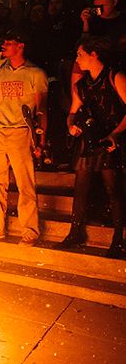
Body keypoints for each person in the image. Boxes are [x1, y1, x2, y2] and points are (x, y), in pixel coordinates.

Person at [0, 29, 48, 247]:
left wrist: (41, 141)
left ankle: (30, 231)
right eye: (3, 42)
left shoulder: (36, 73)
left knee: (25, 183)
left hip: (21, 132)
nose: (4, 46)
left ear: (21, 45)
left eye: (9, 42)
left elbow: (42, 109)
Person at [57, 37, 126, 258]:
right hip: (89, 140)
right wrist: (70, 126)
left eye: (80, 54)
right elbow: (72, 112)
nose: (77, 59)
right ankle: (75, 232)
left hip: (111, 141)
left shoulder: (116, 77)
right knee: (81, 187)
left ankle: (118, 239)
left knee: (114, 190)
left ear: (93, 54)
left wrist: (114, 134)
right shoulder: (82, 85)